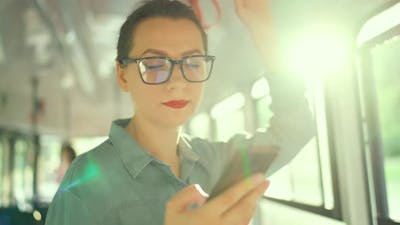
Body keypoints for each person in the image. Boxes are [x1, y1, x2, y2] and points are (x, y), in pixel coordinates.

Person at [45, 0, 314, 224]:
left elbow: (295, 129)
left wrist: (265, 35)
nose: (177, 81)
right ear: (123, 75)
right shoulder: (85, 183)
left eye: (193, 62)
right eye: (154, 64)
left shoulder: (218, 162)